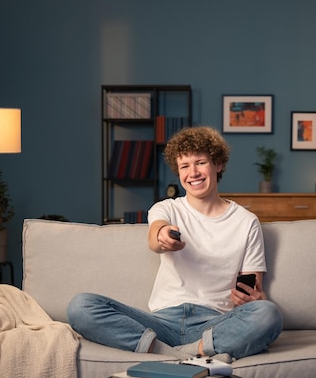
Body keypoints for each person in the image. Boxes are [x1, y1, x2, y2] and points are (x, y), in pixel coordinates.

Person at [67, 126, 283, 361]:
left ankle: (191, 350)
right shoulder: (167, 208)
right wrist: (163, 236)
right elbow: (155, 236)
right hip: (160, 324)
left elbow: (254, 289)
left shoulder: (246, 221)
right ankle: (175, 352)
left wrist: (255, 299)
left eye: (200, 162)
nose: (193, 173)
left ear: (218, 164)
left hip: (214, 323)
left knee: (268, 313)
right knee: (80, 306)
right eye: (184, 166)